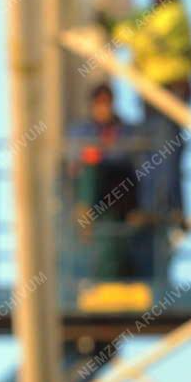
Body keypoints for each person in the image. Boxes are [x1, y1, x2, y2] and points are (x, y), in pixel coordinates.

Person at [101, 0, 191, 230]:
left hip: (169, 93)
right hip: (153, 96)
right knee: (155, 150)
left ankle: (165, 208)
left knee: (165, 151)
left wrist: (119, 31)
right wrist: (111, 25)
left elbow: (145, 37)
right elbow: (132, 27)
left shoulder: (174, 16)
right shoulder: (153, 13)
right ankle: (159, 207)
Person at [65, 84, 139, 281]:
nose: (103, 108)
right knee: (90, 165)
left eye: (107, 103)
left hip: (119, 186)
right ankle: (85, 212)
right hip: (91, 187)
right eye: (99, 103)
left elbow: (127, 158)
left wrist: (104, 152)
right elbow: (75, 160)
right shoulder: (82, 130)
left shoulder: (127, 130)